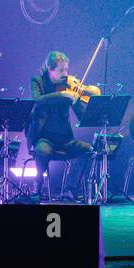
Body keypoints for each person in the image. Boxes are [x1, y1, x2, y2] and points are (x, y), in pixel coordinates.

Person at [28, 51, 94, 201]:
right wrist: (61, 95)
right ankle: (37, 187)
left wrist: (77, 101)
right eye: (61, 70)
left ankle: (70, 189)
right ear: (50, 70)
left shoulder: (68, 86)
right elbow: (37, 101)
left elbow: (82, 118)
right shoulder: (38, 81)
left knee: (88, 150)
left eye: (66, 70)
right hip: (44, 138)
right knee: (42, 150)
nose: (65, 74)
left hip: (65, 139)